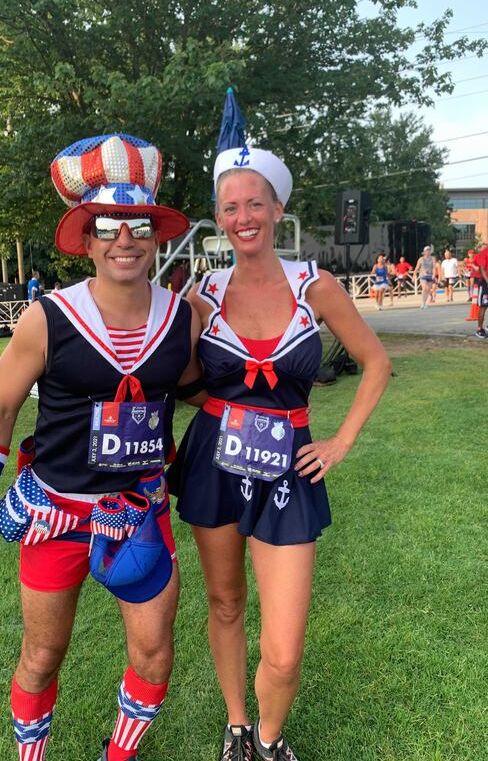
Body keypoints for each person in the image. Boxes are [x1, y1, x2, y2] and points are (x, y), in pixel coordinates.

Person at [0, 133, 202, 761]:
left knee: (154, 653)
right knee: (41, 656)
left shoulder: (184, 318)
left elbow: (200, 387)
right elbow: (1, 407)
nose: (125, 238)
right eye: (109, 225)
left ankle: (117, 757)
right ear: (88, 239)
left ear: (154, 238)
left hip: (139, 512)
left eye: (138, 226)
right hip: (57, 513)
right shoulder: (49, 317)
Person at [168, 146, 391, 761]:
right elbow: (173, 377)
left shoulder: (313, 285)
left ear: (277, 209)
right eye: (229, 207)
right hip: (214, 459)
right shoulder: (202, 293)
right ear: (219, 215)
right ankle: (240, 727)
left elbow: (376, 363)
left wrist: (340, 441)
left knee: (286, 650)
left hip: (290, 466)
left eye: (254, 204)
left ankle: (271, 735)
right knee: (226, 602)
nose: (243, 217)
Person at [471, 243, 488, 338]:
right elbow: (481, 269)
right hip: (484, 283)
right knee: (483, 306)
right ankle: (479, 329)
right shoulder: (482, 254)